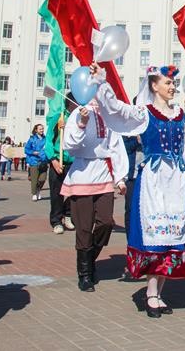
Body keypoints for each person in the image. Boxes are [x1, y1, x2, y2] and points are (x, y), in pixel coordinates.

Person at [89, 63, 185, 317]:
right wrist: (102, 81)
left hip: (176, 179)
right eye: (167, 83)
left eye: (173, 83)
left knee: (173, 237)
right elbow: (116, 110)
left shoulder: (181, 115)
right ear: (154, 85)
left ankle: (157, 292)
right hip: (154, 179)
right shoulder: (145, 113)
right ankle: (151, 293)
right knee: (156, 236)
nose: (172, 86)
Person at [62, 97, 128, 292]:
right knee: (83, 228)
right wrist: (81, 123)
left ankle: (89, 259)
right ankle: (84, 274)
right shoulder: (78, 113)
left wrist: (120, 177)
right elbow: (70, 146)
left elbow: (116, 147)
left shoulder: (109, 117)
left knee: (106, 222)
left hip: (104, 173)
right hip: (82, 174)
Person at [45, 97, 76, 235]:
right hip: (59, 160)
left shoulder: (81, 117)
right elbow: (49, 140)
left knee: (74, 192)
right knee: (56, 193)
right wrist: (53, 159)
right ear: (70, 102)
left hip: (75, 161)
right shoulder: (59, 117)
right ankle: (56, 221)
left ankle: (68, 214)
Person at [25, 123, 48, 201]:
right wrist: (33, 152)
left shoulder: (46, 139)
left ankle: (38, 189)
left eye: (42, 129)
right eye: (40, 129)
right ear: (36, 130)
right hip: (34, 161)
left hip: (44, 161)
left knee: (43, 179)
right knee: (34, 180)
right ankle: (34, 193)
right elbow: (26, 149)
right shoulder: (32, 139)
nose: (41, 130)